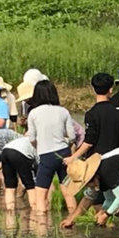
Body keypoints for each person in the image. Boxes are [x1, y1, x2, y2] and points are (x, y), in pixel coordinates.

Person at [25, 80, 77, 214]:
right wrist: (68, 147)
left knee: (40, 195)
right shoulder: (63, 111)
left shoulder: (34, 113)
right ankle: (73, 220)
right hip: (64, 153)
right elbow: (72, 137)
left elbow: (31, 138)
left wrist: (39, 146)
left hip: (46, 155)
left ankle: (42, 231)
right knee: (69, 192)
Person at [63, 73, 119, 166]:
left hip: (96, 161)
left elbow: (89, 142)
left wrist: (72, 157)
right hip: (115, 158)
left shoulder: (91, 114)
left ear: (93, 90)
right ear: (110, 90)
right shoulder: (118, 112)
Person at [0, 131, 38, 211]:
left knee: (10, 185)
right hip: (21, 152)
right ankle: (35, 209)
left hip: (5, 151)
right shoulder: (40, 143)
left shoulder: (25, 139)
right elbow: (39, 165)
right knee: (30, 184)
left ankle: (10, 211)